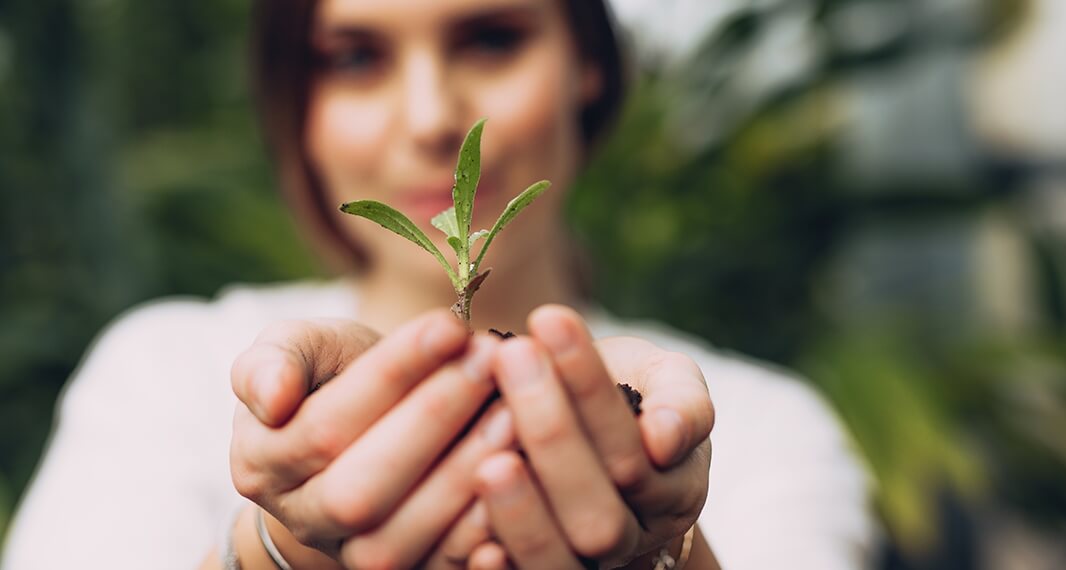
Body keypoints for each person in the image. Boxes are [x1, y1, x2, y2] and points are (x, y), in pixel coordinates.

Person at [0, 0, 872, 568]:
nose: (430, 119)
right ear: (296, 102)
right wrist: (276, 552)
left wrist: (669, 550)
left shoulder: (750, 426)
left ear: (588, 63)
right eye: (354, 57)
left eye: (491, 38)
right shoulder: (164, 375)